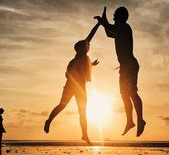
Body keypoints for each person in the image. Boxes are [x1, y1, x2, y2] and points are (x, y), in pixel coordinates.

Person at [44, 22, 101, 145]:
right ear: (81, 48)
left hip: (81, 87)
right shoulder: (80, 55)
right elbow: (91, 36)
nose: (89, 46)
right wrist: (99, 24)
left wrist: (91, 65)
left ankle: (85, 135)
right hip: (72, 86)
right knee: (62, 106)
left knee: (83, 112)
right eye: (87, 45)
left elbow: (80, 69)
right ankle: (49, 121)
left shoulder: (84, 59)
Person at [94, 6, 146, 136]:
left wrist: (103, 21)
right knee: (124, 94)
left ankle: (140, 120)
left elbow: (109, 28)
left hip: (130, 66)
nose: (113, 17)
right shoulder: (118, 29)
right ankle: (130, 121)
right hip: (124, 67)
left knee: (132, 92)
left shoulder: (124, 27)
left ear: (122, 17)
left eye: (115, 15)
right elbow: (109, 33)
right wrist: (103, 21)